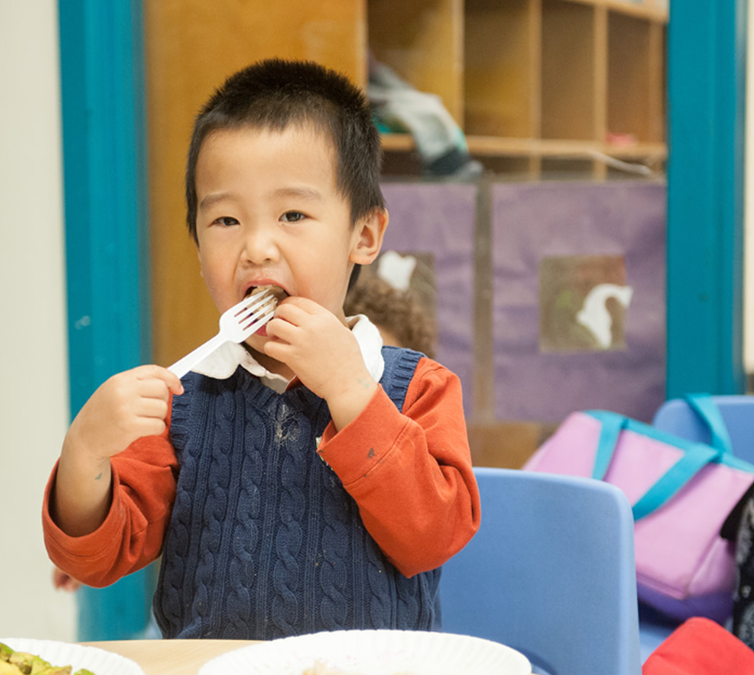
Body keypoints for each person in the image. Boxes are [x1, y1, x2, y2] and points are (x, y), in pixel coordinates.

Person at [42, 58, 479, 640]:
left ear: (365, 236)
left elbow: (433, 537)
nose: (256, 247)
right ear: (198, 250)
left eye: (292, 214)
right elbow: (96, 559)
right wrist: (84, 453)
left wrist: (351, 391)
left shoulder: (418, 388)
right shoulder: (182, 407)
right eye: (224, 219)